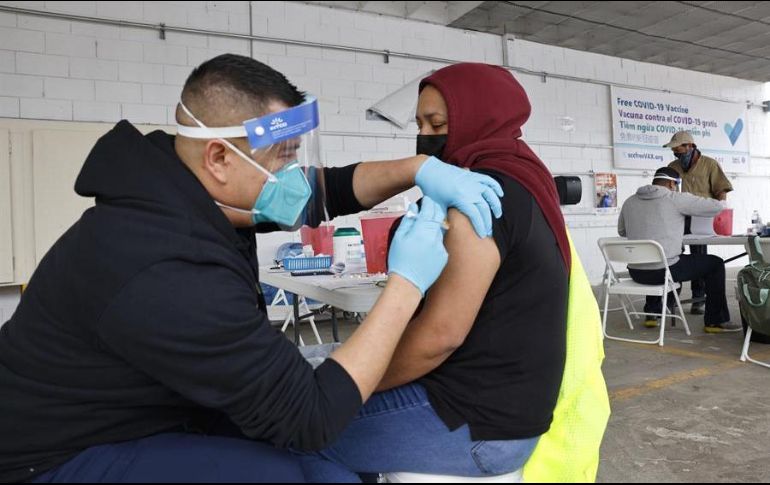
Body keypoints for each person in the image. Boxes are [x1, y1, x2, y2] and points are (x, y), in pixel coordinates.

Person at [0, 54, 505, 483]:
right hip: (54, 453)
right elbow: (312, 416)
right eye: (283, 158)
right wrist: (406, 282)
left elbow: (325, 190)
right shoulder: (164, 266)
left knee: (330, 473)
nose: (294, 176)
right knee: (281, 474)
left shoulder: (181, 185)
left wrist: (417, 169)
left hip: (145, 406)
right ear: (219, 157)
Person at [296, 62, 571, 481]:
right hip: (506, 409)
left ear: (480, 116)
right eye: (421, 122)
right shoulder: (527, 178)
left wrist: (347, 386)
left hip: (477, 425)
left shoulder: (477, 200)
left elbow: (439, 337)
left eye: (438, 123)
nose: (425, 135)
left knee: (301, 433)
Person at [618, 167, 740, 332]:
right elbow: (715, 207)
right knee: (715, 264)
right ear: (671, 183)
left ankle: (652, 312)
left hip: (637, 272)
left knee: (660, 258)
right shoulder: (675, 198)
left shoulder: (629, 201)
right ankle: (715, 321)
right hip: (664, 271)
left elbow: (622, 231)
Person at [665, 130, 733, 315]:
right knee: (672, 255)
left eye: (678, 149)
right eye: (674, 151)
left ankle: (699, 299)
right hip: (677, 217)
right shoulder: (673, 166)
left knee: (699, 256)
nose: (675, 153)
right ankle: (670, 300)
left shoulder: (709, 164)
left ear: (690, 146)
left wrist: (721, 210)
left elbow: (721, 190)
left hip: (701, 219)